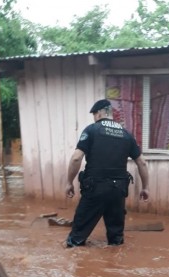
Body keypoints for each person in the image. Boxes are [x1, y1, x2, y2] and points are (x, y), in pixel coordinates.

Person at [64, 99, 150, 247]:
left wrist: (69, 182)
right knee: (116, 240)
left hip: (95, 189)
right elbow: (142, 162)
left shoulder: (91, 130)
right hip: (118, 191)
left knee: (76, 239)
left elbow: (76, 158)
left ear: (98, 114)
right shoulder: (126, 135)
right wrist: (145, 187)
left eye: (94, 115)